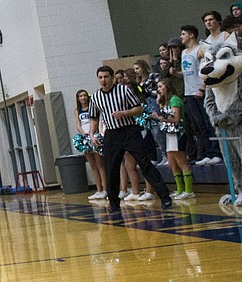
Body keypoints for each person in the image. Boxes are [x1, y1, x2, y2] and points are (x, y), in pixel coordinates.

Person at [87, 65, 173, 210]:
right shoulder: (95, 97)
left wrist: (125, 113)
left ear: (112, 77)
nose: (103, 80)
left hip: (129, 131)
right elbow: (94, 119)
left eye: (106, 77)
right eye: (100, 77)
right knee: (111, 169)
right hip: (111, 134)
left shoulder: (124, 90)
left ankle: (165, 197)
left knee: (145, 164)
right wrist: (92, 135)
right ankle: (114, 203)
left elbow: (139, 108)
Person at [180, 24, 223, 165]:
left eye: (183, 34)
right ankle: (205, 153)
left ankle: (216, 152)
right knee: (198, 126)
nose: (181, 36)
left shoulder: (200, 49)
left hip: (200, 91)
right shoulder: (183, 52)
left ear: (191, 35)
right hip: (189, 93)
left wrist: (203, 88)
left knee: (208, 123)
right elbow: (187, 71)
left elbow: (205, 69)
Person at [150, 77, 193, 201]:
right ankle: (180, 189)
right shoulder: (166, 101)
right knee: (172, 164)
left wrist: (159, 117)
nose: (158, 90)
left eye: (160, 87)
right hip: (169, 135)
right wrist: (158, 102)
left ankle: (189, 191)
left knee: (182, 163)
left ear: (167, 86)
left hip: (178, 134)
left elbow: (176, 118)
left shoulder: (174, 100)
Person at [73, 89, 107, 200]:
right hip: (85, 138)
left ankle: (106, 190)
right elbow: (78, 125)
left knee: (100, 164)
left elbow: (98, 121)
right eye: (80, 96)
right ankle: (98, 190)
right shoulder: (77, 110)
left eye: (84, 95)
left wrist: (94, 134)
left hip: (95, 136)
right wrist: (84, 135)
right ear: (78, 99)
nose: (83, 98)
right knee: (92, 165)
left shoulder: (93, 108)